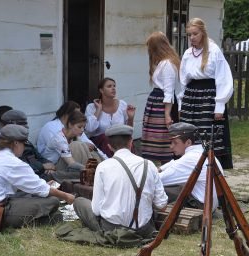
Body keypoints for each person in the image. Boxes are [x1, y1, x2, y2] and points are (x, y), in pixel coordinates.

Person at [73, 124, 168, 238]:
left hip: (112, 229)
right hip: (144, 229)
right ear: (131, 142)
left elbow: (96, 210)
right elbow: (162, 204)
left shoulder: (103, 167)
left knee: (79, 202)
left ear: (109, 147)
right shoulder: (150, 165)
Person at [0, 124, 75, 228]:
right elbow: (41, 189)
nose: (24, 147)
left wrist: (42, 187)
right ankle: (45, 219)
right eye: (24, 143)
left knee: (35, 197)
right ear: (16, 143)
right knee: (52, 201)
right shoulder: (11, 162)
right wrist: (67, 196)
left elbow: (29, 186)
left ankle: (46, 219)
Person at [178, 18, 234, 169]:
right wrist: (182, 104)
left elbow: (223, 78)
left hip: (208, 99)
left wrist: (219, 106)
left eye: (195, 34)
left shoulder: (214, 51)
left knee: (207, 137)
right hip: (191, 99)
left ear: (203, 33)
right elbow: (183, 81)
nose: (192, 38)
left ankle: (212, 174)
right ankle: (191, 171)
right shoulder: (188, 53)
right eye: (189, 35)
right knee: (190, 135)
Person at [159, 122, 223, 210]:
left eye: (175, 142)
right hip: (210, 204)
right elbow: (175, 163)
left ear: (188, 142)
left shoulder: (190, 158)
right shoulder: (200, 151)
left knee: (156, 189)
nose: (171, 146)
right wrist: (161, 168)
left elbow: (158, 180)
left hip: (200, 206)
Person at [0, 109, 56, 181]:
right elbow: (15, 170)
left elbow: (39, 156)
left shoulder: (20, 139)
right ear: (12, 126)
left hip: (35, 175)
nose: (27, 128)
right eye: (23, 126)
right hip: (20, 182)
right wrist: (43, 166)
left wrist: (49, 166)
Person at [141, 31, 181, 164]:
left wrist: (167, 114)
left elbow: (169, 91)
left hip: (162, 106)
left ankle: (166, 170)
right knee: (153, 140)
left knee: (163, 140)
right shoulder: (162, 63)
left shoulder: (167, 64)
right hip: (156, 103)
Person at [37, 101, 106, 160]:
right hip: (54, 163)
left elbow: (92, 146)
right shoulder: (51, 127)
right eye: (76, 114)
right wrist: (83, 146)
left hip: (68, 158)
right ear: (66, 114)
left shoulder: (76, 127)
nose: (78, 116)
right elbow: (65, 151)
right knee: (82, 149)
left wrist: (106, 159)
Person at [85, 77, 136, 157]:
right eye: (109, 86)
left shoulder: (122, 105)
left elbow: (128, 130)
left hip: (118, 140)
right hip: (100, 142)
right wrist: (99, 109)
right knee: (105, 137)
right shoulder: (91, 107)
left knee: (127, 139)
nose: (113, 88)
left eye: (114, 86)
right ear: (101, 90)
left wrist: (130, 117)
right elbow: (90, 129)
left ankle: (131, 165)